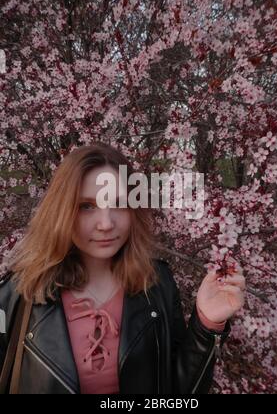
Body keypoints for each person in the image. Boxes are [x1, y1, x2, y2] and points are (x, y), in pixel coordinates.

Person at [0, 143, 246, 394]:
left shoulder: (157, 283)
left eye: (118, 203)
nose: (106, 223)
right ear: (61, 211)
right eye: (87, 206)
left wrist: (206, 325)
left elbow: (177, 392)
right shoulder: (18, 293)